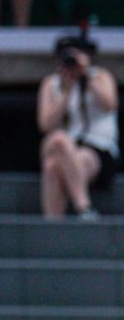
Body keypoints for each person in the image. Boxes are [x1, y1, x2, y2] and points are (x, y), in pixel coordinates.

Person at [37, 32, 119, 219]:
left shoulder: (100, 77)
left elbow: (109, 104)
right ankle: (84, 207)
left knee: (52, 167)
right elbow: (46, 124)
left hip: (97, 149)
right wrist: (66, 91)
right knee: (58, 140)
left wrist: (86, 75)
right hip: (63, 144)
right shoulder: (52, 83)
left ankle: (52, 229)